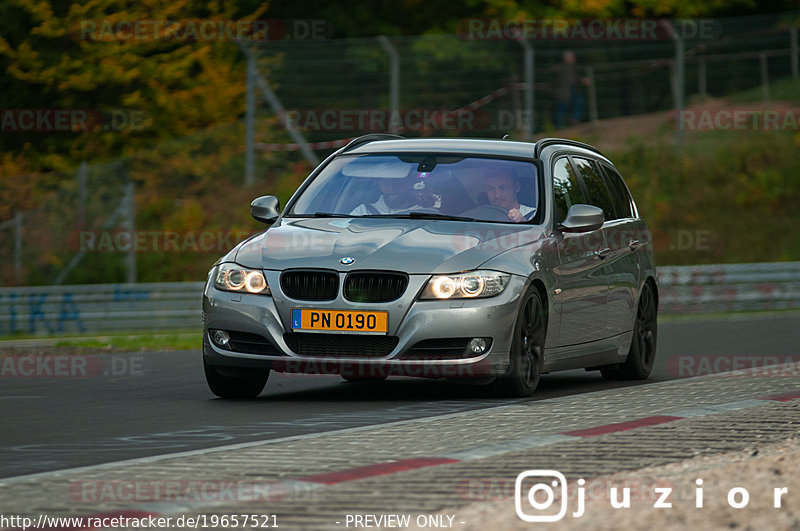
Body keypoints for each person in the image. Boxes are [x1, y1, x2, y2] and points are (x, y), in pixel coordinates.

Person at [350, 175, 429, 215]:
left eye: (398, 182)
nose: (391, 188)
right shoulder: (363, 212)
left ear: (409, 184)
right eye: (386, 183)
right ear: (379, 185)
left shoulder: (426, 213)